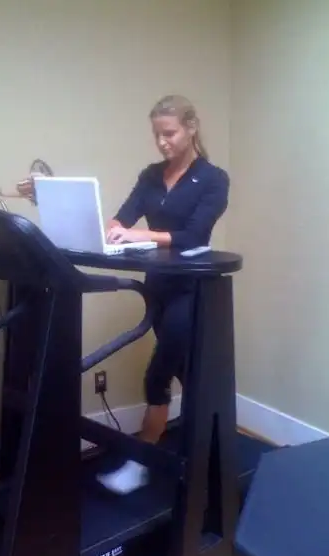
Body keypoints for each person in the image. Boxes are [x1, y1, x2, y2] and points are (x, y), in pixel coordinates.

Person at [96, 94, 230, 495]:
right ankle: (208, 454)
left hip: (192, 288)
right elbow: (124, 215)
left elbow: (194, 235)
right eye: (157, 135)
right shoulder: (151, 175)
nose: (162, 142)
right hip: (158, 284)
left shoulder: (213, 179)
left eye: (169, 133)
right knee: (186, 372)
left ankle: (140, 462)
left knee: (158, 372)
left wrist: (139, 234)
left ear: (191, 128)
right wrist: (113, 228)